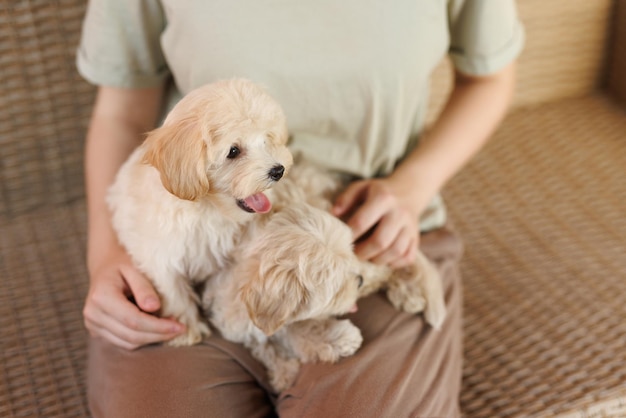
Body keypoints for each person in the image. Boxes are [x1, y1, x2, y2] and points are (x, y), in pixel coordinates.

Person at [78, 1, 524, 417]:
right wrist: (106, 255)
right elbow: (122, 115)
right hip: (190, 238)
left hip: (364, 236)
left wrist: (412, 187)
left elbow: (489, 78)